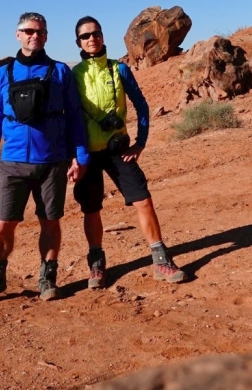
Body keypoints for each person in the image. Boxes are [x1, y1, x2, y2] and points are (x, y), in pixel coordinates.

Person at [0, 12, 90, 305]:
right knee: (3, 223)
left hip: (52, 162)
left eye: (40, 31)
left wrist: (80, 156)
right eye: (29, 30)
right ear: (18, 34)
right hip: (12, 163)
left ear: (46, 36)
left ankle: (48, 277)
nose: (35, 35)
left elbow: (75, 117)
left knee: (50, 222)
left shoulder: (60, 72)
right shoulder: (3, 74)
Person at [71, 16, 185, 289]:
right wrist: (73, 155)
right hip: (88, 152)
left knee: (143, 200)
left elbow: (142, 106)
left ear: (102, 35)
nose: (91, 39)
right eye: (85, 36)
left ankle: (160, 260)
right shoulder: (73, 76)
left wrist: (141, 142)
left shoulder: (119, 70)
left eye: (95, 33)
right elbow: (69, 118)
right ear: (79, 42)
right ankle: (96, 266)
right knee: (91, 209)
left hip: (118, 150)